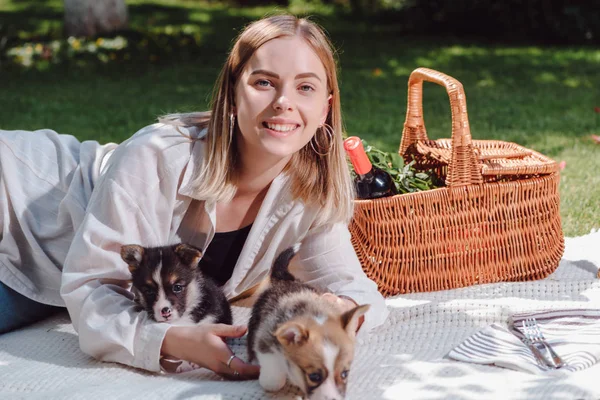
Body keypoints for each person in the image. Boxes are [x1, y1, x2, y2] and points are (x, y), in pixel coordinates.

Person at [0, 14, 388, 379]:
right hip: (18, 211)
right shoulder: (156, 156)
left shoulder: (311, 187)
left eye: (305, 87)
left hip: (50, 271)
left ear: (325, 108)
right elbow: (91, 286)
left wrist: (341, 314)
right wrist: (169, 340)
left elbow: (353, 288)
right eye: (264, 82)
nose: (283, 101)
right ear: (233, 95)